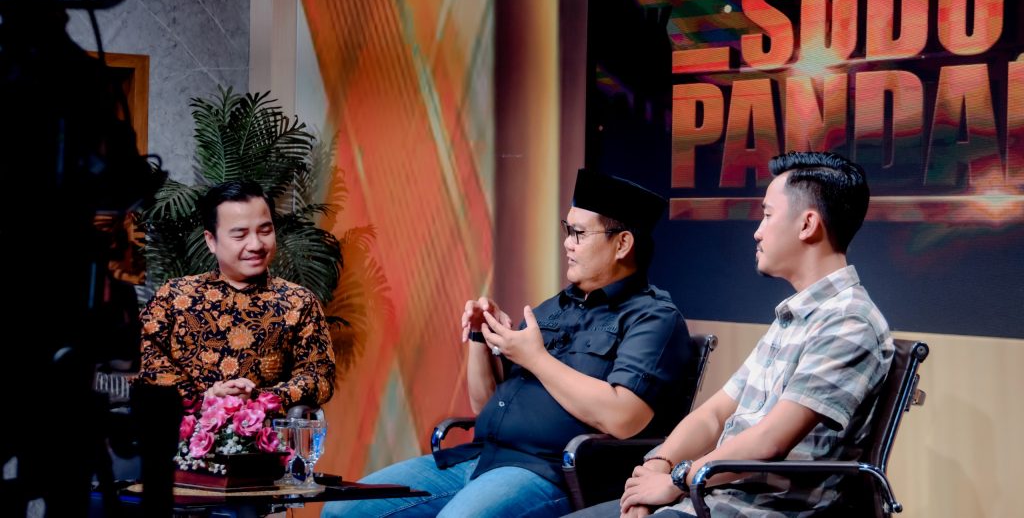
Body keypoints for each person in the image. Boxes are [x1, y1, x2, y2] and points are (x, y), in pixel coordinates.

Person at [322, 169, 692, 518]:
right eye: (567, 230)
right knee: (341, 510)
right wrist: (480, 337)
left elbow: (624, 418)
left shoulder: (653, 317)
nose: (567, 243)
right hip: (481, 457)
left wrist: (536, 358)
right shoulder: (554, 308)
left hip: (549, 472)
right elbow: (485, 404)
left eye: (579, 233)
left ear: (622, 244)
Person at [566, 151, 894, 518]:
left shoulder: (848, 321)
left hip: (755, 509)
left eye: (767, 215)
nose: (757, 231)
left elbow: (770, 441)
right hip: (707, 497)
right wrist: (657, 466)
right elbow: (715, 414)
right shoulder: (798, 315)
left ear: (807, 225)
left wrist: (676, 480)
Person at [137, 180, 335, 409]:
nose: (256, 245)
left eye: (265, 231)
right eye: (240, 235)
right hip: (184, 428)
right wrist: (201, 400)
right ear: (211, 241)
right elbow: (141, 358)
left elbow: (320, 377)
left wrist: (258, 399)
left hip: (268, 428)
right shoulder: (174, 296)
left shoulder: (299, 302)